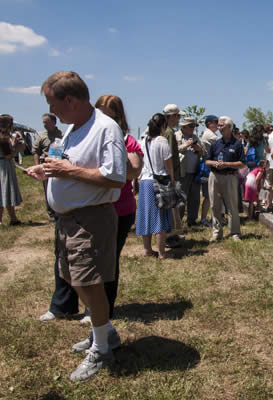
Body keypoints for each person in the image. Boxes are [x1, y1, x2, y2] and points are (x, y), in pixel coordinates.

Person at [26, 71, 127, 382]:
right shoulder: (72, 128)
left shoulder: (105, 129)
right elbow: (65, 164)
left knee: (89, 282)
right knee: (75, 279)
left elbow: (115, 177)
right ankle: (104, 334)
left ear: (69, 100)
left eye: (52, 103)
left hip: (91, 217)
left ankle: (102, 350)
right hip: (69, 219)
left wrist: (68, 171)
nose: (50, 111)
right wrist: (47, 170)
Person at [93, 94, 143, 319]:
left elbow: (133, 171)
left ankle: (105, 307)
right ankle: (91, 305)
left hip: (120, 208)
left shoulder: (127, 141)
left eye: (106, 110)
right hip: (92, 206)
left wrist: (115, 155)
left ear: (118, 114)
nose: (101, 114)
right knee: (90, 258)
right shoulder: (90, 136)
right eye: (98, 109)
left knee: (109, 260)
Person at [136, 113, 174, 259]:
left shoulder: (143, 140)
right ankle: (162, 252)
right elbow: (168, 164)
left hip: (145, 181)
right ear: (163, 126)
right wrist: (172, 179)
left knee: (145, 215)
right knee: (160, 216)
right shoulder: (162, 141)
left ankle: (147, 249)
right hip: (159, 181)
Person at [205, 116, 244, 242]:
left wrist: (227, 164)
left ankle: (235, 232)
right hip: (214, 176)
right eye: (218, 125)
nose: (219, 128)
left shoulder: (237, 144)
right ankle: (216, 232)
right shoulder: (216, 143)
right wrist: (214, 163)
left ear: (229, 127)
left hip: (230, 177)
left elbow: (242, 163)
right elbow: (206, 160)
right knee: (214, 205)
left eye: (221, 125)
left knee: (232, 206)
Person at [162, 104, 185, 247]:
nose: (179, 119)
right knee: (171, 207)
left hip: (167, 175)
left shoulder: (164, 130)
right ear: (171, 116)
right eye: (177, 116)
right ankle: (170, 236)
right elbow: (168, 156)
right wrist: (171, 177)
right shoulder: (169, 132)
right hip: (170, 176)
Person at [33, 113, 63, 221]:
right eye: (43, 122)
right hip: (45, 164)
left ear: (54, 122)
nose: (44, 124)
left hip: (59, 165)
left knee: (59, 188)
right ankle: (51, 213)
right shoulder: (41, 136)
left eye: (47, 122)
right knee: (47, 189)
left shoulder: (62, 134)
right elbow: (36, 151)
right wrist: (37, 166)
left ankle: (60, 210)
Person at [176, 117, 202, 226]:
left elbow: (203, 151)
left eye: (194, 126)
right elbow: (173, 151)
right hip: (182, 172)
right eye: (191, 126)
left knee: (195, 199)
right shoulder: (176, 136)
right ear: (184, 127)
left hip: (194, 172)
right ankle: (178, 221)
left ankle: (192, 220)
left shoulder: (195, 137)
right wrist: (185, 145)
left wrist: (199, 149)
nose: (193, 128)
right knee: (181, 199)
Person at [0, 114, 24, 225]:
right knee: (6, 191)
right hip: (4, 166)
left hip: (4, 165)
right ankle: (13, 219)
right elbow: (8, 155)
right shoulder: (3, 137)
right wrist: (17, 147)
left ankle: (8, 219)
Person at [199, 115, 220, 226]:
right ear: (209, 123)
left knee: (212, 195)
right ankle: (203, 219)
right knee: (208, 195)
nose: (218, 124)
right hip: (208, 168)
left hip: (210, 167)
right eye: (215, 122)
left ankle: (212, 218)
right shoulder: (209, 135)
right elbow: (222, 143)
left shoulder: (211, 134)